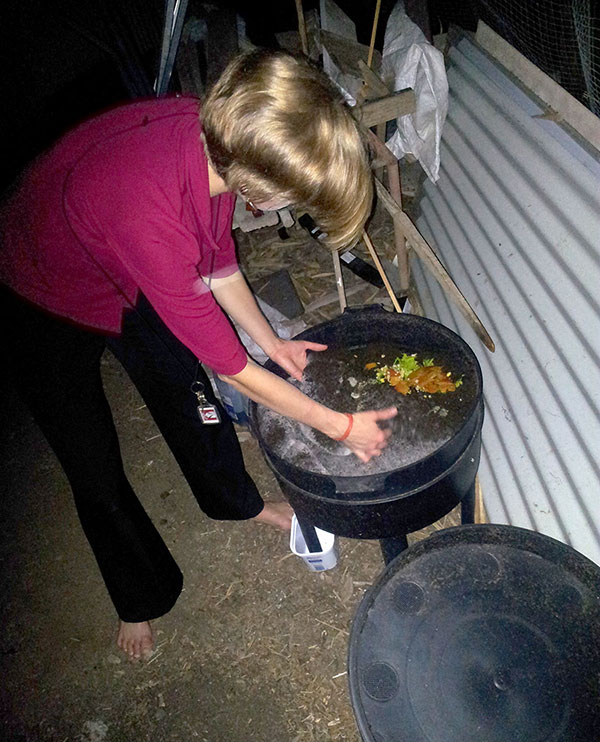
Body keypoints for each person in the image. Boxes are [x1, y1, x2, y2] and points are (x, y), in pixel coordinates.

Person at [0, 49, 397, 660]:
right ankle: (138, 596)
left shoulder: (217, 145)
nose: (291, 208)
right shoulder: (150, 212)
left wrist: (272, 344)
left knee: (190, 399)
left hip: (120, 259)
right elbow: (230, 367)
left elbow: (215, 262)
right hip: (41, 285)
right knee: (92, 460)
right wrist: (340, 427)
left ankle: (241, 505)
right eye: (293, 197)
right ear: (261, 188)